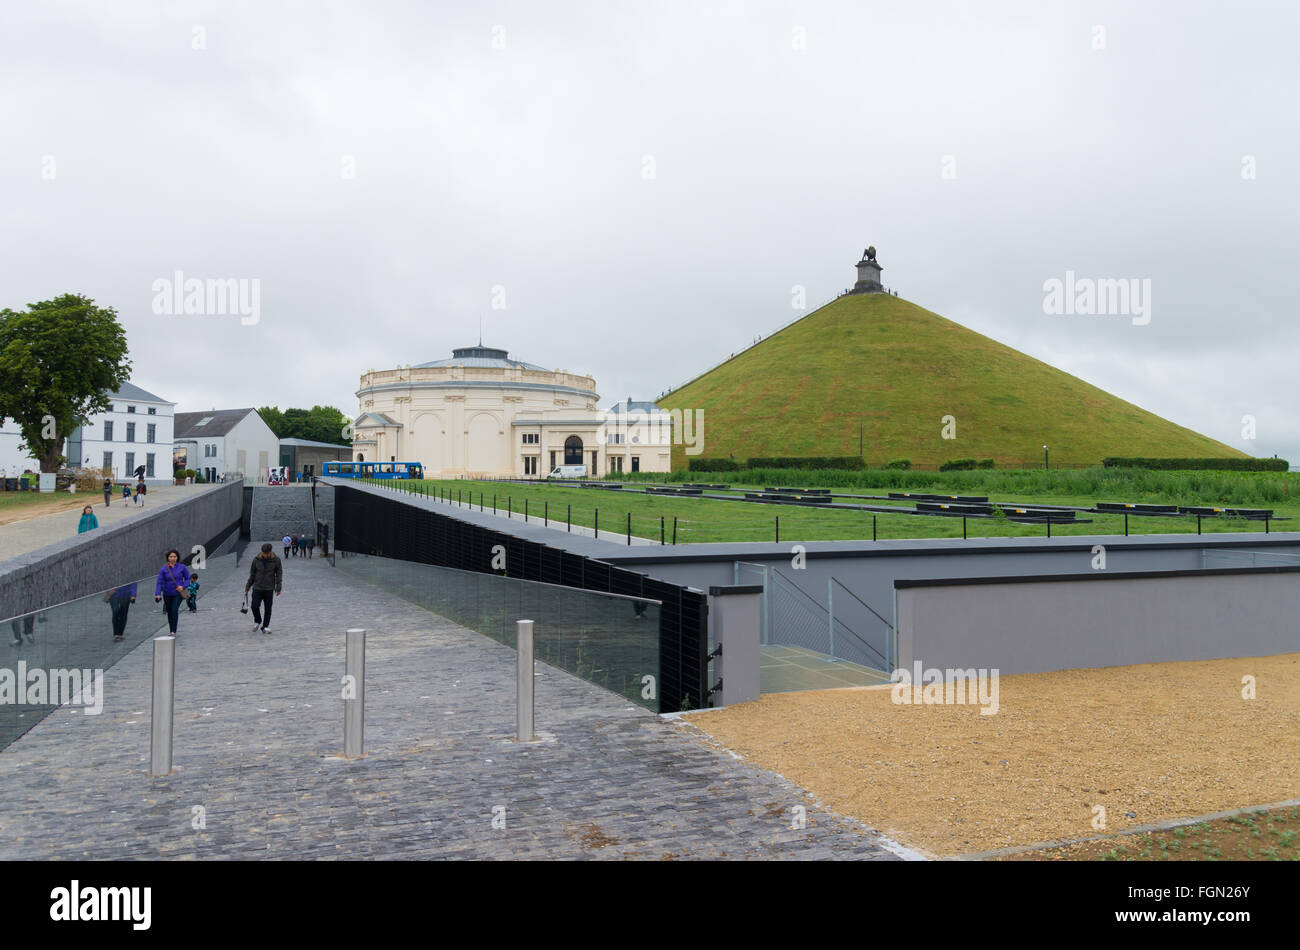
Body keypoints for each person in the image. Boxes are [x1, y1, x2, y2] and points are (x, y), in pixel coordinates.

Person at [244, 542, 282, 635]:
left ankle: (265, 627)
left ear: (270, 552)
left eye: (266, 553)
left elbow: (279, 574)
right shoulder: (256, 560)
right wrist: (247, 587)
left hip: (269, 588)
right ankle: (257, 620)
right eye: (263, 553)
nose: (265, 554)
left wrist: (278, 588)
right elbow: (252, 574)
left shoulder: (276, 560)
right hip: (257, 587)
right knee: (254, 606)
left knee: (268, 609)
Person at [153, 549, 191, 637]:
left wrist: (183, 586)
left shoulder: (182, 567)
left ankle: (173, 631)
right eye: (171, 557)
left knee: (174, 610)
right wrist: (157, 594)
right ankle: (171, 630)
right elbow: (159, 582)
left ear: (177, 558)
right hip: (167, 594)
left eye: (174, 556)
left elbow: (188, 578)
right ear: (168, 558)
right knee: (170, 612)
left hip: (178, 594)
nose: (173, 558)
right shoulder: (164, 569)